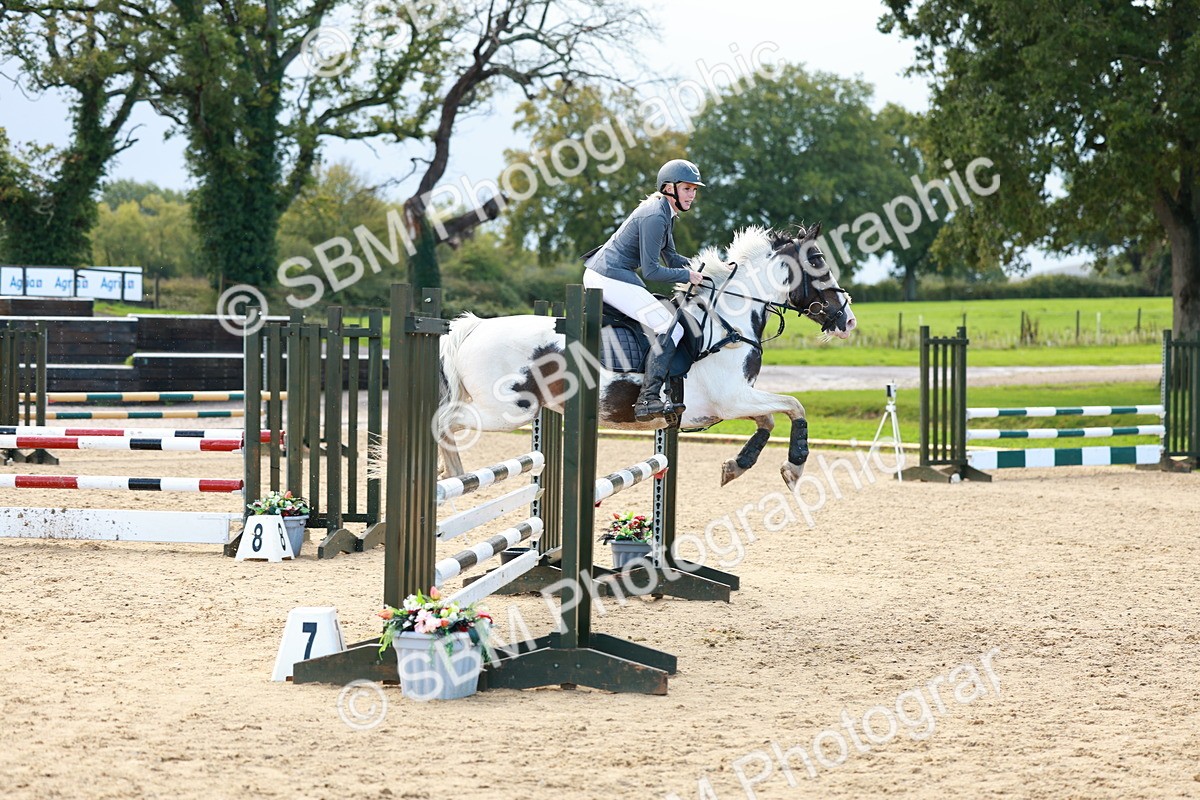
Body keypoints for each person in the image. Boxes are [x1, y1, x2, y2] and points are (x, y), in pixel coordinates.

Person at [582, 159, 706, 421]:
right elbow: (651, 271)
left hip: (613, 274)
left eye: (694, 190)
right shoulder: (655, 216)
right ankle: (647, 399)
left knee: (665, 322)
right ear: (668, 188)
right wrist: (688, 275)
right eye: (687, 189)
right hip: (607, 277)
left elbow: (671, 257)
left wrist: (709, 269)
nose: (692, 195)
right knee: (671, 327)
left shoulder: (665, 212)